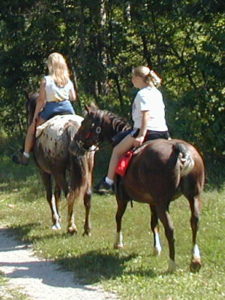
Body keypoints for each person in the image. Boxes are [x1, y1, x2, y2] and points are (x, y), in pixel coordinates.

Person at [96, 66, 170, 194]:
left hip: (146, 130)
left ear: (139, 78)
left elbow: (146, 116)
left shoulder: (142, 94)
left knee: (117, 150)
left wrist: (141, 135)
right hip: (163, 131)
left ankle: (108, 182)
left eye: (133, 77)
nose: (132, 80)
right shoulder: (157, 92)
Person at [13, 52, 76, 165]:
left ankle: (25, 155)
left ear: (50, 65)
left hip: (51, 109)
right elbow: (73, 97)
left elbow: (41, 101)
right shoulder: (68, 80)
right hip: (68, 108)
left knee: (32, 130)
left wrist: (35, 118)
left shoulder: (46, 80)